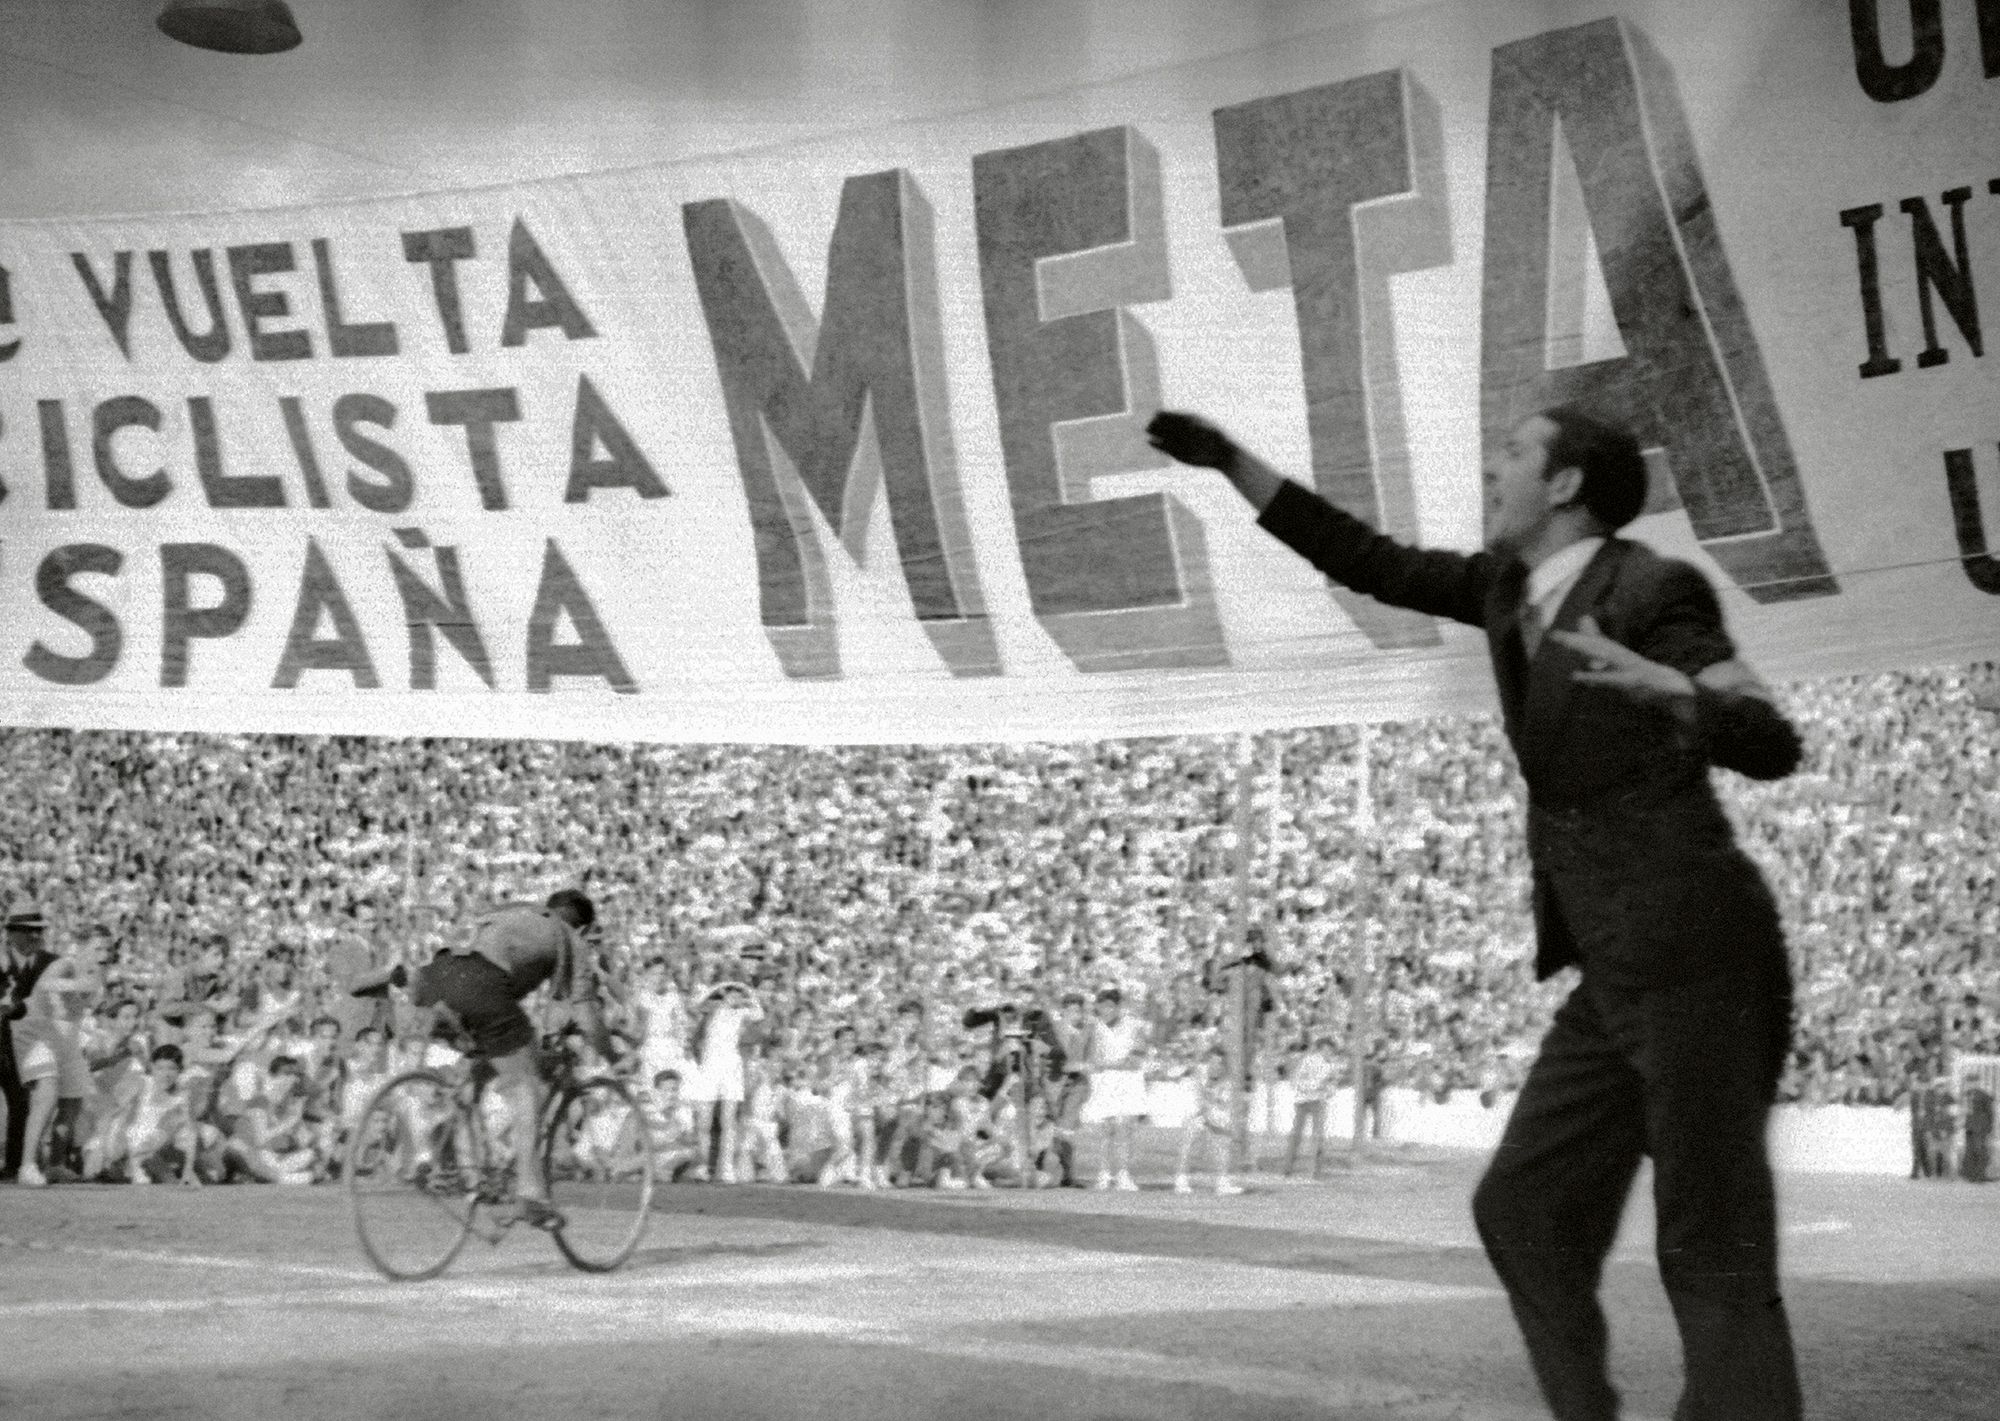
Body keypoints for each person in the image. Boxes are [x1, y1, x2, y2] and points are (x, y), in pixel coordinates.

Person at [1149, 407, 1806, 1421]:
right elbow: (1366, 560)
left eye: (1510, 453)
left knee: (1710, 1241)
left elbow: (1766, 738)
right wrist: (1233, 463)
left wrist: (1672, 689)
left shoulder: (1651, 588)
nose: (1490, 466)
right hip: (1611, 966)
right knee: (1523, 1207)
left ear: (1563, 485)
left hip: (1697, 954)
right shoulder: (1505, 589)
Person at [351, 888, 611, 1225]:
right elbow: (586, 1016)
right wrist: (613, 1055)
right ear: (584, 930)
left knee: (480, 1069)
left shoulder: (509, 910)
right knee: (528, 1091)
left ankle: (469, 1173)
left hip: (439, 977)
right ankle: (531, 1195)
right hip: (484, 989)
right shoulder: (569, 938)